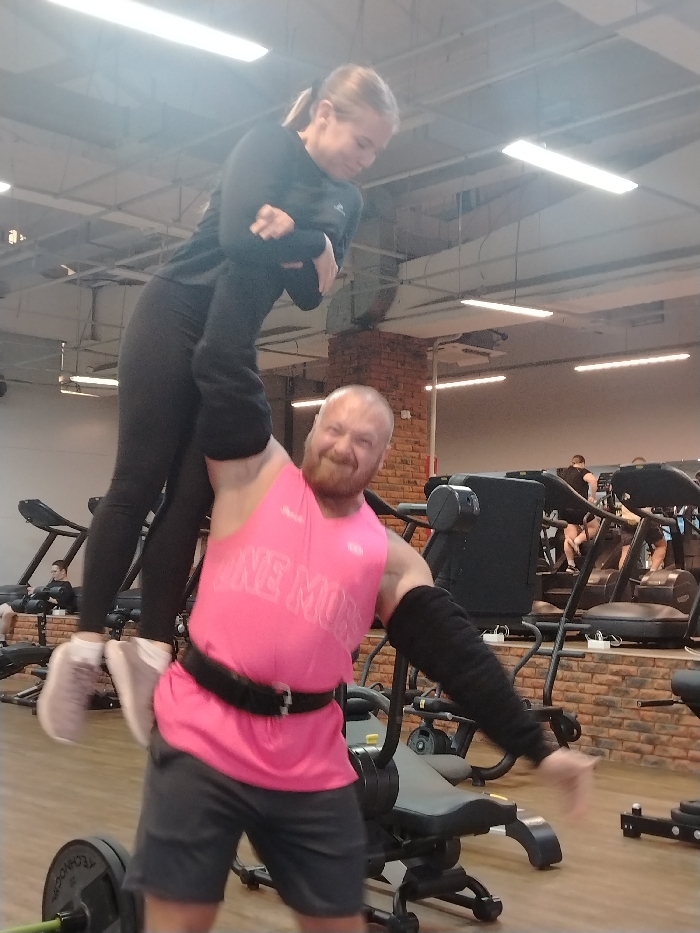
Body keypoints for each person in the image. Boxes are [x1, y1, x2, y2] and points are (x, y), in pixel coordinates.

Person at [95, 385, 593, 933]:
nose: (343, 447)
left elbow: (459, 656)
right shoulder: (253, 474)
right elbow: (225, 371)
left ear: (382, 458)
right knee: (178, 921)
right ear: (312, 431)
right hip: (201, 736)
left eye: (363, 441)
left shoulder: (389, 558)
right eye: (334, 429)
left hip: (308, 759)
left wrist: (539, 750)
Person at [37, 66, 399, 746]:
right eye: (362, 141)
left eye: (377, 149)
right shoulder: (268, 145)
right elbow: (237, 239)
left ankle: (150, 650)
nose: (366, 158)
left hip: (228, 345)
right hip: (174, 314)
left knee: (191, 499)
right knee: (137, 480)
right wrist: (310, 244)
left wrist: (301, 238)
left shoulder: (347, 199)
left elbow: (313, 294)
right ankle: (83, 646)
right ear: (324, 113)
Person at [0, 560, 72, 645]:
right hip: (27, 600)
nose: (53, 574)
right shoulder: (53, 583)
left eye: (55, 572)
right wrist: (35, 591)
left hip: (34, 605)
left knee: (7, 613)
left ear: (63, 571)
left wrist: (43, 594)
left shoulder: (66, 587)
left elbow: (58, 602)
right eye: (52, 572)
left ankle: (2, 639)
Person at [618, 457, 667, 573]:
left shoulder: (624, 483)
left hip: (627, 521)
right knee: (661, 545)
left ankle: (622, 579)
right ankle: (652, 572)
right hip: (644, 520)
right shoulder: (648, 482)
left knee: (626, 551)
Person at [559, 455, 599, 573]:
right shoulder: (581, 471)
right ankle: (577, 541)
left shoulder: (563, 474)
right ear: (582, 463)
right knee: (595, 527)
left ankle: (571, 565)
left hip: (565, 509)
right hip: (579, 507)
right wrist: (592, 497)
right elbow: (593, 480)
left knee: (568, 537)